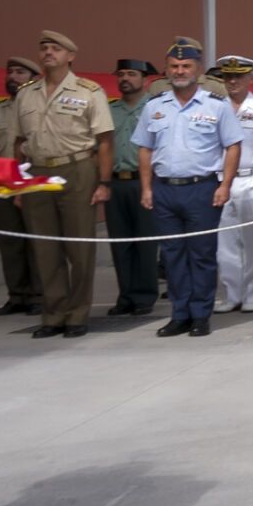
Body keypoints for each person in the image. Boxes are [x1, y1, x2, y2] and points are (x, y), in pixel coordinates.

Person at [134, 38, 243, 337]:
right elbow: (144, 149)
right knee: (172, 255)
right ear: (167, 70)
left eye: (186, 66)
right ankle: (179, 314)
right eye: (174, 66)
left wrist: (225, 185)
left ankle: (200, 314)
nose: (179, 71)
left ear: (197, 69)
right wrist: (146, 188)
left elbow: (233, 145)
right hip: (165, 189)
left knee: (202, 255)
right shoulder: (154, 107)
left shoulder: (216, 106)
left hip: (202, 188)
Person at [14, 31, 114, 339]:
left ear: (70, 56)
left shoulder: (88, 91)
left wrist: (103, 182)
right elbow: (17, 142)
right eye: (43, 48)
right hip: (38, 172)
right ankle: (53, 313)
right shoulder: (26, 93)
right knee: (45, 248)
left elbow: (105, 140)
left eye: (55, 49)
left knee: (79, 247)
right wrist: (16, 184)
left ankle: (77, 315)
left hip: (78, 169)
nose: (47, 53)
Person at [105, 58, 162, 318]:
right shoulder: (110, 110)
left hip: (144, 181)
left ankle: (144, 295)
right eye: (121, 74)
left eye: (131, 74)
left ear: (145, 79)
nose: (124, 79)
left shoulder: (155, 108)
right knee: (120, 243)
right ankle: (125, 295)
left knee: (145, 242)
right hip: (116, 182)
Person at [213, 55, 253, 313]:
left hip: (252, 177)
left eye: (238, 76)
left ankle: (252, 294)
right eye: (228, 76)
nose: (233, 81)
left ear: (250, 78)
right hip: (222, 181)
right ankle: (232, 293)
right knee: (225, 245)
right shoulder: (215, 107)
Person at [0, 56, 44, 316]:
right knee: (10, 241)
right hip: (2, 183)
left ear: (32, 79)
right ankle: (17, 295)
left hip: (32, 180)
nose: (13, 77)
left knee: (36, 239)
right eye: (10, 72)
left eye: (20, 72)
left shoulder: (37, 108)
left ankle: (39, 294)